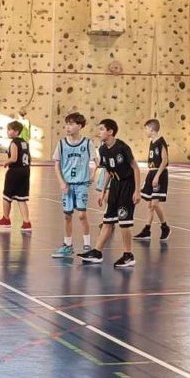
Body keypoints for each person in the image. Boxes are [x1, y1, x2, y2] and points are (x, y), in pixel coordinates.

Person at [80, 119, 140, 269]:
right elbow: (108, 170)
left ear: (110, 132)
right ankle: (97, 252)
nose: (99, 132)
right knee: (107, 221)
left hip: (127, 185)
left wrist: (137, 190)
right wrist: (103, 191)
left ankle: (128, 255)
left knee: (124, 222)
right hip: (114, 185)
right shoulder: (103, 149)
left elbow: (136, 168)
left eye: (101, 129)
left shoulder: (122, 147)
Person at [51, 112, 95, 258]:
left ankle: (87, 244)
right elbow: (56, 165)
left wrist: (93, 175)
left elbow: (97, 162)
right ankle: (67, 245)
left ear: (80, 126)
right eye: (66, 124)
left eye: (71, 124)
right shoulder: (62, 143)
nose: (67, 127)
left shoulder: (87, 143)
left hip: (81, 184)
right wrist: (61, 182)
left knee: (82, 215)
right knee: (67, 216)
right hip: (67, 184)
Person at [0, 121, 32, 232]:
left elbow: (14, 158)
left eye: (10, 130)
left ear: (16, 131)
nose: (8, 132)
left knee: (7, 196)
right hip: (25, 170)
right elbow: (29, 157)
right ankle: (26, 222)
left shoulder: (14, 143)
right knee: (21, 198)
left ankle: (6, 219)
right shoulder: (25, 142)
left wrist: (6, 162)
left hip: (15, 171)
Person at [135, 119, 170, 242]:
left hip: (159, 173)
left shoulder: (161, 142)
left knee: (154, 203)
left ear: (152, 129)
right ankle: (147, 230)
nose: (145, 131)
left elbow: (164, 161)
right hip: (152, 172)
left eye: (146, 128)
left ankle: (165, 227)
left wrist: (157, 176)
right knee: (150, 205)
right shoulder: (152, 142)